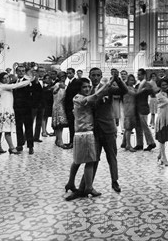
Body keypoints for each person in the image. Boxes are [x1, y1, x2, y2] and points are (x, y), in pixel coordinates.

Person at [74, 68, 126, 198]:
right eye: (93, 75)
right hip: (94, 131)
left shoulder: (107, 88)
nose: (96, 77)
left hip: (108, 129)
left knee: (111, 157)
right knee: (92, 159)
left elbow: (124, 91)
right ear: (90, 76)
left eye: (98, 75)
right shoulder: (87, 91)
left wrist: (117, 79)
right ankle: (85, 187)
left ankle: (115, 181)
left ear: (101, 76)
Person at [65, 78, 111, 200]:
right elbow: (95, 97)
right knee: (90, 161)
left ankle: (70, 183)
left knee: (77, 161)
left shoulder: (77, 98)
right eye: (84, 87)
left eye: (88, 86)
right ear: (79, 88)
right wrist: (107, 85)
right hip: (86, 133)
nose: (87, 89)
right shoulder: (79, 98)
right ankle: (89, 187)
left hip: (80, 133)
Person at [0, 72, 31, 154]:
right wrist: (29, 81)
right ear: (0, 80)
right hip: (3, 110)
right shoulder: (3, 86)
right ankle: (11, 147)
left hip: (4, 110)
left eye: (7, 77)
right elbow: (15, 85)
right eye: (4, 78)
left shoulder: (5, 86)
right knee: (6, 130)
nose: (6, 79)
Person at [13, 67, 35, 154]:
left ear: (24, 72)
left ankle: (30, 147)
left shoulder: (28, 82)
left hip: (27, 109)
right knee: (18, 127)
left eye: (23, 71)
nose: (21, 72)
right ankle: (20, 145)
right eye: (19, 71)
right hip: (17, 109)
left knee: (28, 128)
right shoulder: (13, 82)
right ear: (16, 72)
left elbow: (33, 94)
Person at [52, 73, 69, 149]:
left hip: (62, 105)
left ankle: (58, 139)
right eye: (61, 77)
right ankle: (60, 140)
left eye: (64, 77)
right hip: (57, 106)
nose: (63, 78)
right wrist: (59, 87)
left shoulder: (65, 85)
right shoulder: (57, 84)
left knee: (61, 124)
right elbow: (54, 92)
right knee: (58, 124)